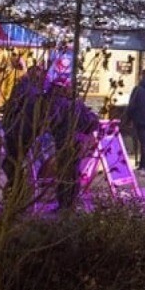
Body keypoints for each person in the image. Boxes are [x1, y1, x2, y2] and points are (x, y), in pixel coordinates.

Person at [45, 78, 100, 211]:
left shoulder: (53, 103)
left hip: (61, 141)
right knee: (72, 171)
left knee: (64, 172)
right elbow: (91, 122)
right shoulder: (74, 104)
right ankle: (69, 203)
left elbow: (54, 122)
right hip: (73, 141)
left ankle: (64, 203)